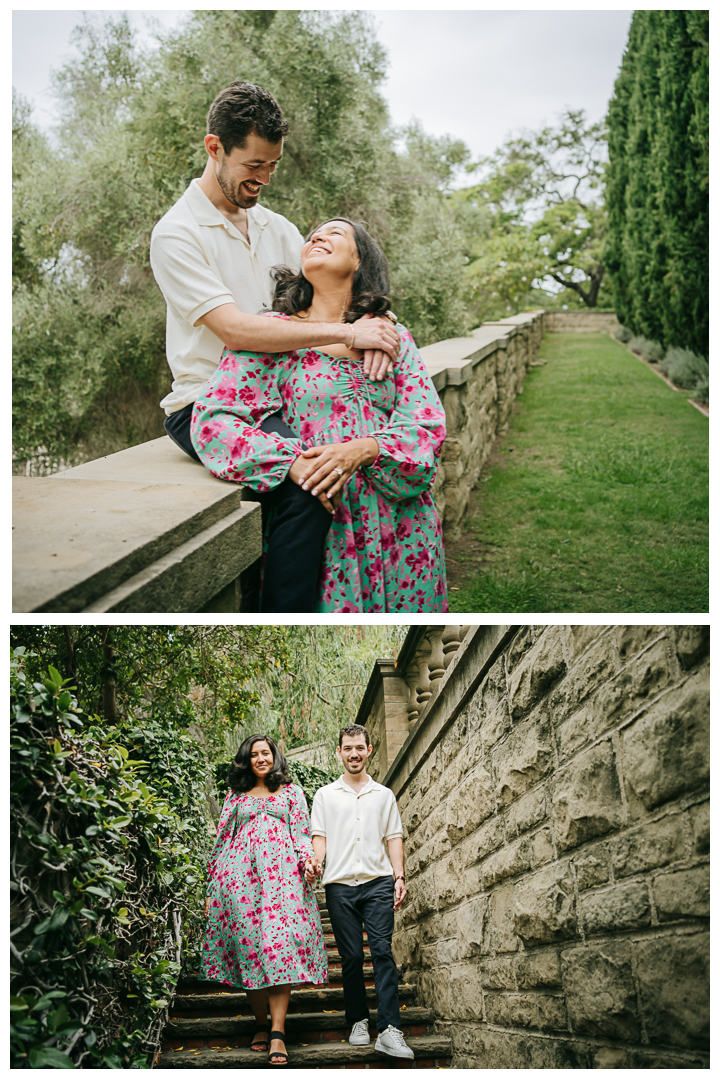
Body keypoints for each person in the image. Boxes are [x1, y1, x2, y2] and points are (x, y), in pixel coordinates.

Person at [150, 81, 399, 613]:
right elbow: (237, 330)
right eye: (254, 165)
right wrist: (348, 336)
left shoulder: (277, 228)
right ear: (214, 148)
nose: (263, 178)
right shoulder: (177, 234)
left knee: (353, 467)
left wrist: (379, 323)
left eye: (273, 166)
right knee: (308, 485)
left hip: (278, 399)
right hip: (208, 407)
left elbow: (327, 293)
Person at [191, 218, 450, 613]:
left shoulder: (391, 337)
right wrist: (289, 462)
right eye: (313, 234)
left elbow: (426, 424)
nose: (317, 236)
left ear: (360, 259)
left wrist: (366, 448)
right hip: (330, 528)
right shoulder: (273, 335)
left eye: (335, 233)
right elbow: (214, 421)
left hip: (404, 529)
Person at [201, 734, 327, 1066]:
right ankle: (260, 1023)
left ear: (275, 756)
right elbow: (221, 842)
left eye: (266, 753)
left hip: (281, 883)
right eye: (254, 754)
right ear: (247, 759)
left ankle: (278, 1032)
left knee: (278, 949)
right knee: (249, 951)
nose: (261, 759)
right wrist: (212, 887)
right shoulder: (235, 797)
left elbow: (301, 834)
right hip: (239, 884)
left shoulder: (291, 793)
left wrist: (308, 864)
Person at [306, 724, 414, 1060]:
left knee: (382, 951)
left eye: (359, 748)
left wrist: (399, 875)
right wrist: (315, 863)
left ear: (369, 750)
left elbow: (393, 837)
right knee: (351, 958)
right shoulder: (325, 795)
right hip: (339, 886)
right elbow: (320, 838)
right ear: (339, 752)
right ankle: (357, 1021)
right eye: (347, 748)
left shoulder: (384, 795)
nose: (353, 753)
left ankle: (390, 1029)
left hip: (379, 882)